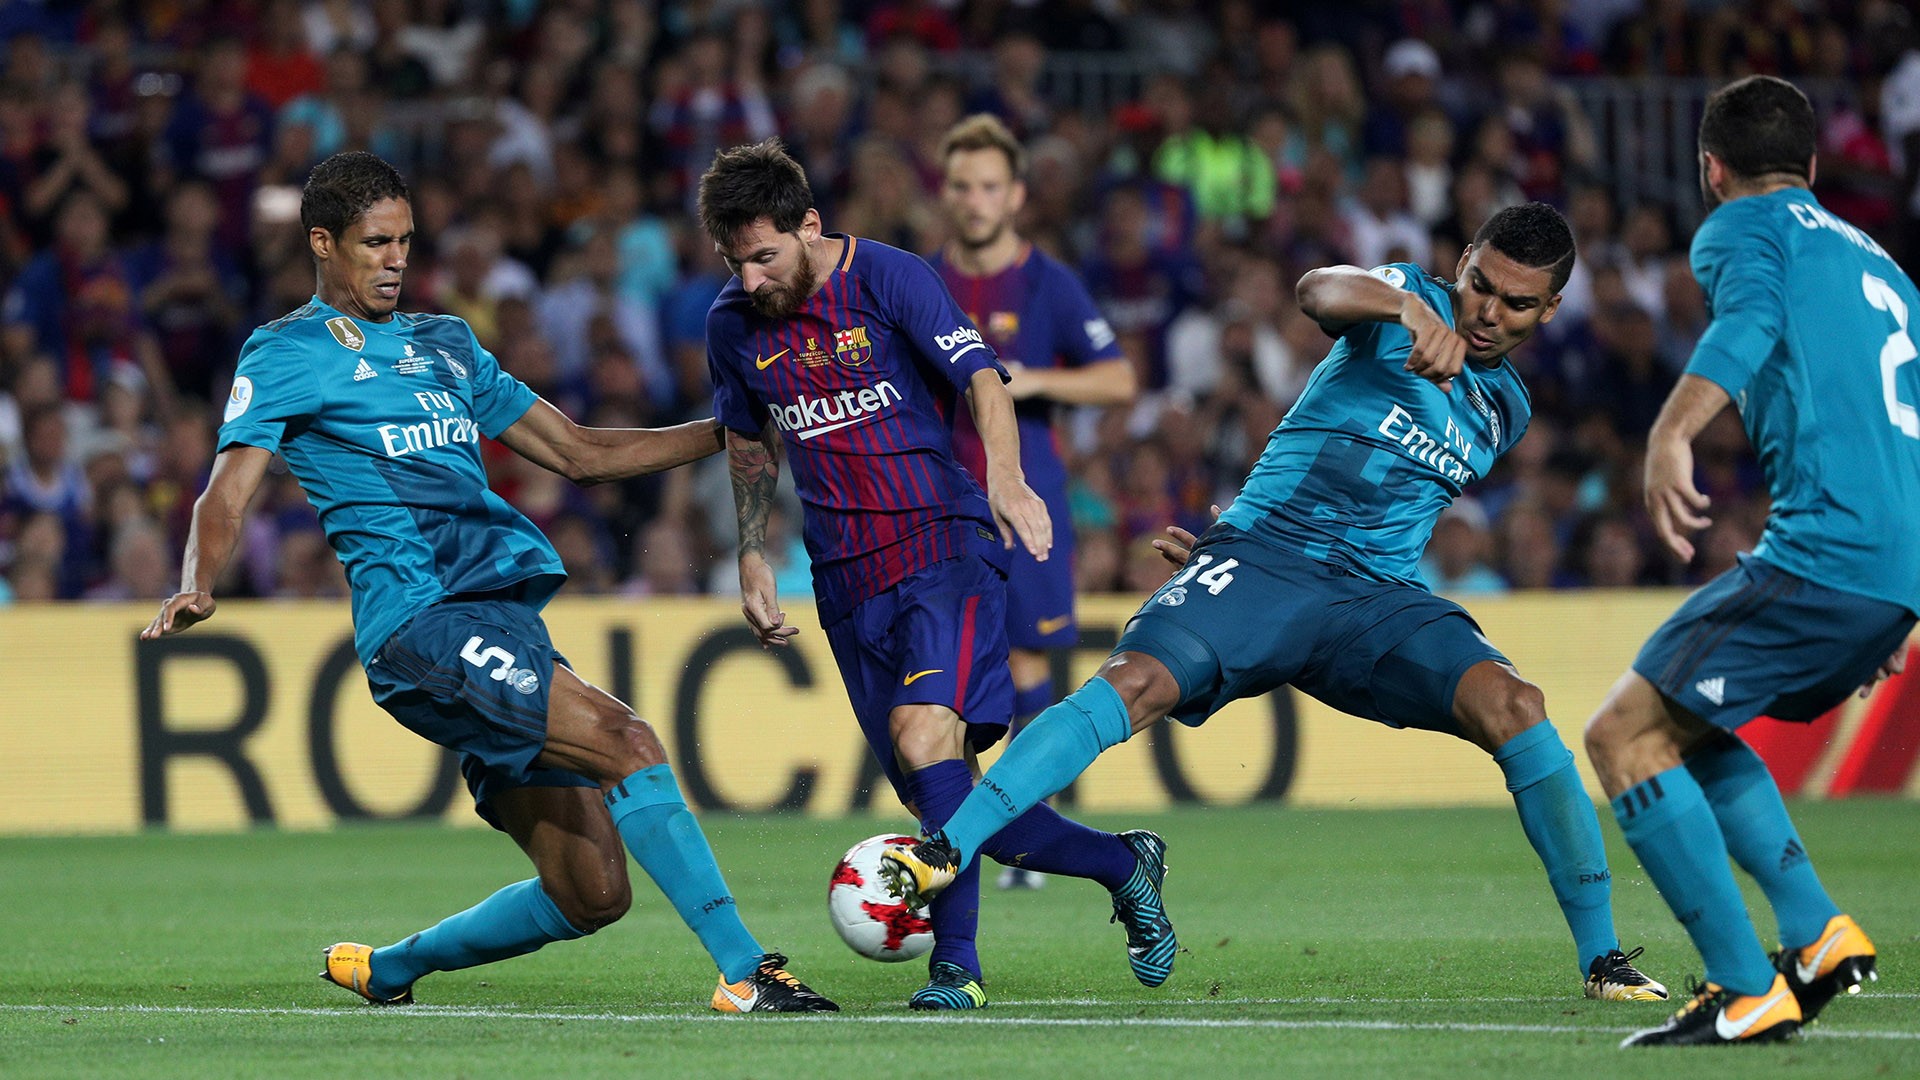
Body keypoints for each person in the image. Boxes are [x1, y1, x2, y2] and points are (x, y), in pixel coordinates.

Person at [884, 203, 1668, 1004]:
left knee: (1517, 705)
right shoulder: (1401, 297)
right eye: (1479, 286)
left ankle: (1603, 960)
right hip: (1266, 563)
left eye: (1517, 304)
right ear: (1461, 262)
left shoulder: (1508, 410)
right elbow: (1317, 290)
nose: (1488, 313)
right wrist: (1406, 306)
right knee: (1134, 686)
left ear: (1552, 310)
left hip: (1377, 599)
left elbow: (1396, 493)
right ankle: (945, 849)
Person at [139, 151, 836, 1015]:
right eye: (374, 243)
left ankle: (389, 967)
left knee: (593, 893)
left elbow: (581, 451)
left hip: (502, 623)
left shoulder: (448, 344)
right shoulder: (286, 353)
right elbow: (227, 489)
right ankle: (746, 971)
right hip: (421, 626)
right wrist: (197, 580)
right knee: (629, 742)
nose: (396, 259)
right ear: (323, 244)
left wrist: (733, 423)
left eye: (404, 241)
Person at [698, 139, 1173, 1010]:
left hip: (939, 547)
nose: (754, 280)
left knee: (927, 735)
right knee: (947, 802)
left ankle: (956, 969)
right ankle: (1121, 862)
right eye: (736, 262)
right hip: (843, 579)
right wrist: (753, 549)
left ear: (810, 225)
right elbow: (745, 436)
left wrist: (1003, 476)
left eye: (765, 256)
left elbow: (983, 382)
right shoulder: (733, 323)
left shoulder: (887, 277)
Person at [1585, 76, 1918, 1048]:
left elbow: (1748, 324)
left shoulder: (1743, 226)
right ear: (1814, 167)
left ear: (1711, 168)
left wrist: (1671, 432)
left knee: (1622, 737)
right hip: (1882, 565)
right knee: (1688, 725)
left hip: (1828, 552)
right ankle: (1815, 937)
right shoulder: (1889, 270)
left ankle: (1743, 988)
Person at [928, 114, 1139, 889]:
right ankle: (965, 822)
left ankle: (1023, 832)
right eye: (961, 186)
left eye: (988, 186)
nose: (974, 200)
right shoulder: (922, 279)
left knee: (1023, 657)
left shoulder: (1049, 282)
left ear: (1015, 195)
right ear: (944, 194)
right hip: (940, 499)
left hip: (1029, 493)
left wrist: (1041, 380)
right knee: (947, 666)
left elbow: (1118, 379)